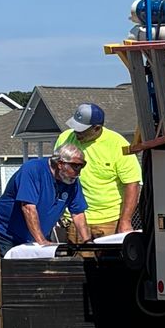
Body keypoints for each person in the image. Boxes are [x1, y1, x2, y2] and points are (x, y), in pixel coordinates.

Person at [56, 101, 142, 235]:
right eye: (75, 127)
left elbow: (132, 184)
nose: (76, 133)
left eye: (82, 130)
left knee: (106, 256)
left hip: (108, 221)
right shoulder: (65, 138)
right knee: (77, 256)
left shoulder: (117, 145)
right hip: (73, 219)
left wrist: (125, 221)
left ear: (96, 128)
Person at [0, 144, 89, 252]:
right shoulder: (33, 170)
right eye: (75, 166)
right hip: (8, 236)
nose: (79, 172)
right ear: (60, 164)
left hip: (37, 237)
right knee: (9, 268)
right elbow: (28, 208)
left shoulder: (71, 180)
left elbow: (78, 213)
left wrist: (87, 241)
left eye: (82, 166)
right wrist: (41, 241)